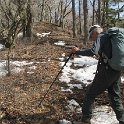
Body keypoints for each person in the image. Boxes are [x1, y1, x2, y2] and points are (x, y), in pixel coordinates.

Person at [71, 25, 124, 124]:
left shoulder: (101, 37)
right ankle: (122, 119)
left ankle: (86, 119)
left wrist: (78, 52)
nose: (92, 39)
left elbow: (93, 51)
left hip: (107, 71)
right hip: (116, 70)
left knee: (90, 93)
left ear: (95, 33)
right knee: (115, 97)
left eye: (91, 36)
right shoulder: (110, 38)